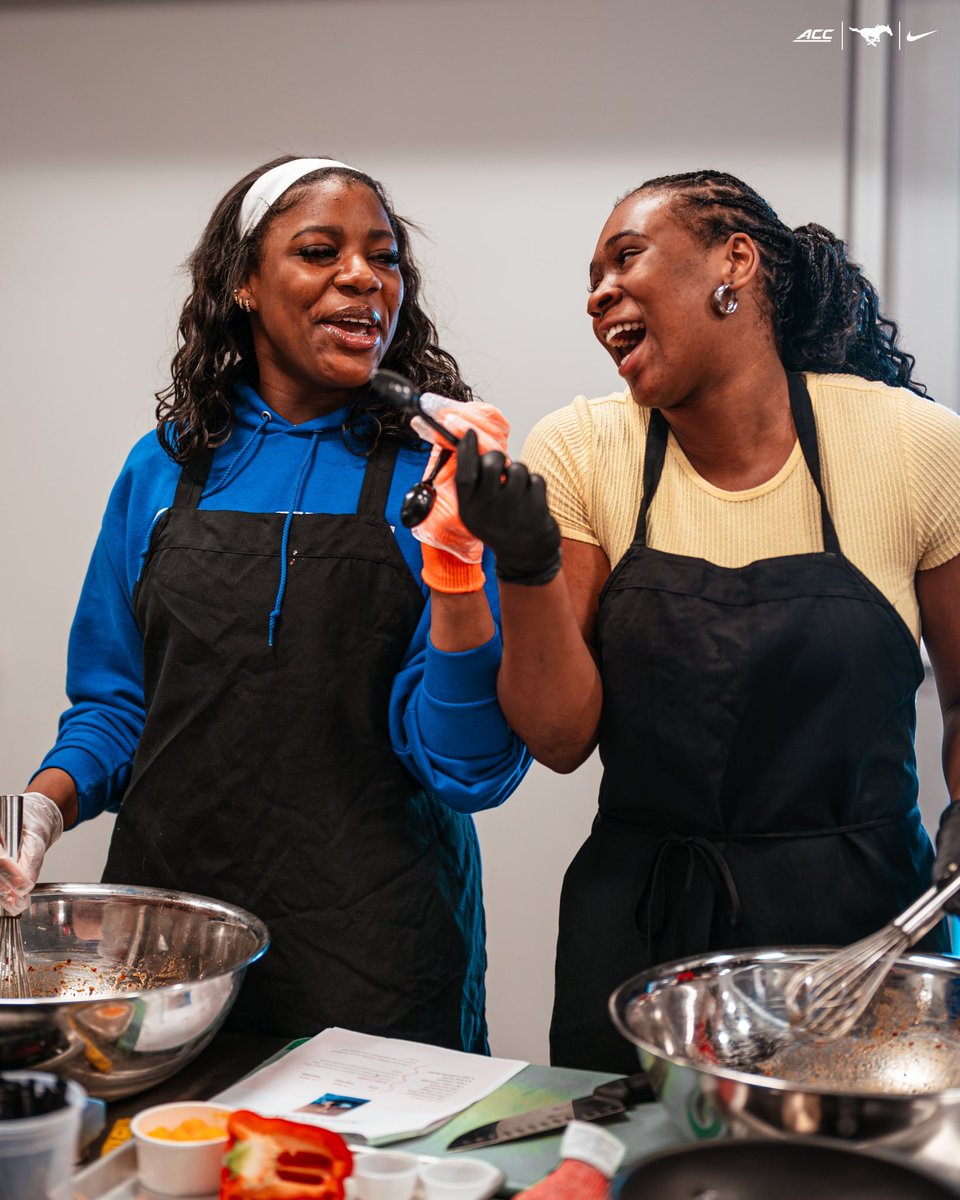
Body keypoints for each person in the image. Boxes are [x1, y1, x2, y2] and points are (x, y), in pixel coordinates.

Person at [0, 155, 530, 1053]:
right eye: (320, 250)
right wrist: (38, 811)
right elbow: (119, 705)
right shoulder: (163, 466)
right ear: (243, 282)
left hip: (375, 948)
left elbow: (468, 766)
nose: (362, 276)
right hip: (170, 943)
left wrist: (458, 569)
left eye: (384, 257)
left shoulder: (434, 479)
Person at [450, 169, 960, 1072]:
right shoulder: (581, 448)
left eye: (625, 256)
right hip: (643, 935)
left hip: (858, 930)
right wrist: (524, 568)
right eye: (591, 277)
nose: (598, 293)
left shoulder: (915, 446)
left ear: (736, 262)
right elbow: (559, 736)